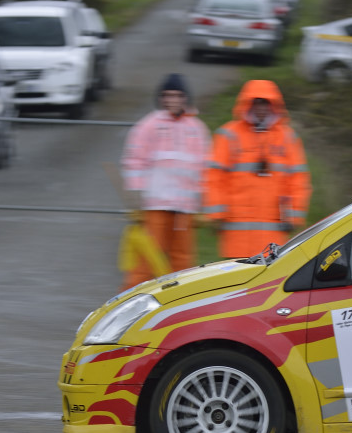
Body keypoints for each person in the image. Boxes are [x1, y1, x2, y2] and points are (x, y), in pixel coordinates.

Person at [119, 73, 212, 290]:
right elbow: (134, 162)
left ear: (185, 98)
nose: (173, 100)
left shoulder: (197, 129)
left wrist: (203, 204)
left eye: (177, 95)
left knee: (183, 262)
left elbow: (206, 168)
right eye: (168, 95)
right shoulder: (148, 126)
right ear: (161, 98)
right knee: (146, 259)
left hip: (184, 208)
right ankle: (130, 304)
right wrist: (135, 202)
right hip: (155, 206)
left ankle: (179, 306)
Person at [204, 79, 311, 258]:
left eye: (266, 102)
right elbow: (215, 177)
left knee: (269, 284)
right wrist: (217, 214)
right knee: (233, 282)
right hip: (235, 234)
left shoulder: (287, 138)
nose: (261, 107)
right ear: (247, 104)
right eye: (256, 102)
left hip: (273, 233)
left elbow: (298, 180)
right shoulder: (229, 135)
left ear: (274, 105)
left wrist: (295, 216)